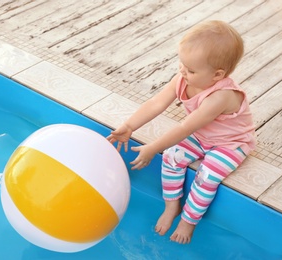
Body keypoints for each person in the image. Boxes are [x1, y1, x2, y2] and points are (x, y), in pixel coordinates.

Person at [107, 20, 256, 244]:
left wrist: (152, 148)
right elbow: (157, 103)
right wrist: (129, 126)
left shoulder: (221, 96)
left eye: (191, 70)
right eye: (182, 64)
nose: (183, 72)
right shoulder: (183, 78)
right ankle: (172, 205)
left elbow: (185, 127)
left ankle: (188, 220)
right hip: (202, 136)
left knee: (207, 175)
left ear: (217, 75)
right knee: (171, 156)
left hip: (230, 143)